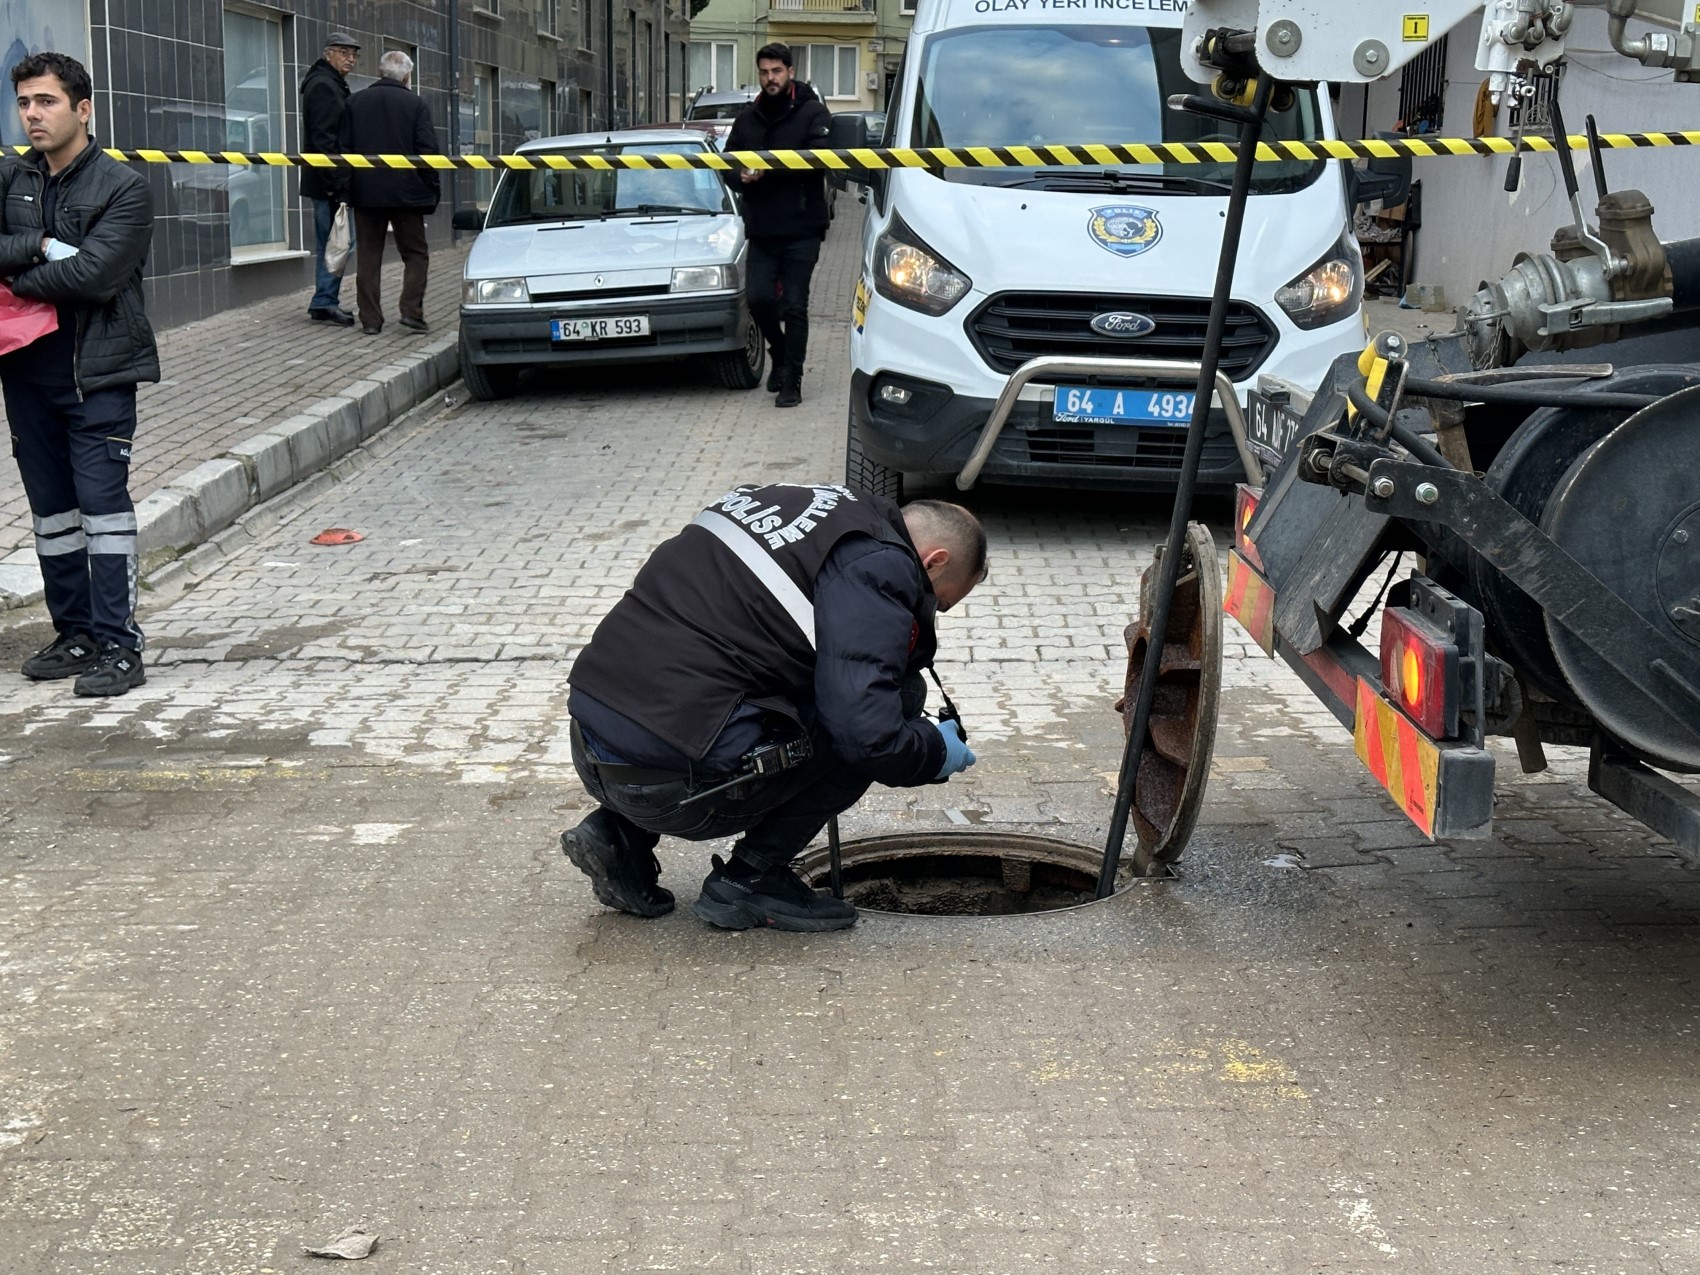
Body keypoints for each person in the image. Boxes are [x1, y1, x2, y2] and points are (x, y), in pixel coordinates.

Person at [561, 483, 986, 932]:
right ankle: (751, 879)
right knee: (896, 701)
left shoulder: (802, 506)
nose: (929, 609)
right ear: (933, 562)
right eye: (939, 601)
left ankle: (619, 834)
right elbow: (866, 734)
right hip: (676, 789)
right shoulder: (879, 563)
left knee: (717, 684)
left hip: (592, 747)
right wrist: (932, 752)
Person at [0, 51, 158, 697]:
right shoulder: (12, 177)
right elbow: (64, 264)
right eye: (25, 102)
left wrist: (15, 277)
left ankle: (121, 645)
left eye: (47, 101)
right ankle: (76, 635)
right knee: (53, 513)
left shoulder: (123, 186)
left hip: (96, 375)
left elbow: (95, 276)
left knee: (102, 511)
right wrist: (38, 246)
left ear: (83, 108)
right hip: (26, 375)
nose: (33, 114)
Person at [724, 43, 832, 409]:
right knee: (758, 300)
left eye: (776, 71)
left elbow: (820, 162)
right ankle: (780, 352)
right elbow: (726, 163)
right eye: (764, 72)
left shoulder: (812, 112)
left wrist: (768, 169)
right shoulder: (747, 118)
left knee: (795, 306)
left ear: (790, 72)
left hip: (802, 226)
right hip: (762, 228)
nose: (770, 78)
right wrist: (740, 176)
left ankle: (792, 380)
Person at [340, 50, 439, 336]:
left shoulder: (354, 102)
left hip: (366, 193)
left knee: (368, 257)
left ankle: (370, 320)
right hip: (407, 194)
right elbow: (428, 150)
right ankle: (411, 312)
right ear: (407, 75)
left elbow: (343, 149)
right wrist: (431, 188)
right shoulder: (415, 104)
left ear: (380, 72)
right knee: (415, 254)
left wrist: (346, 189)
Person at [299, 32, 360, 327]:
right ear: (328, 54)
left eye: (354, 54)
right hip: (328, 183)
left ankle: (325, 299)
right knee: (336, 242)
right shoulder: (324, 85)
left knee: (335, 241)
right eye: (344, 53)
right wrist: (337, 185)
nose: (351, 59)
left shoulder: (329, 82)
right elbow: (324, 141)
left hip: (327, 180)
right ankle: (324, 301)